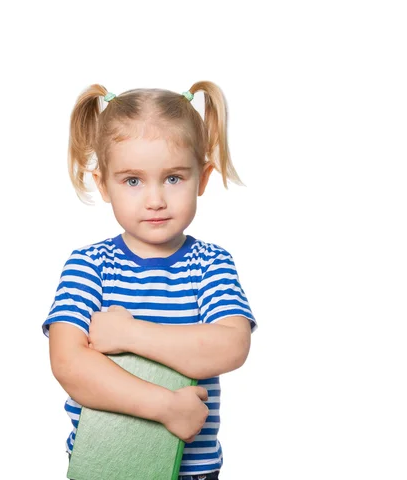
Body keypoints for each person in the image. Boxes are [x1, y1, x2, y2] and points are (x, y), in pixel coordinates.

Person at [42, 81, 258, 480]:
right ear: (103, 184)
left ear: (203, 178)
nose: (155, 199)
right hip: (104, 468)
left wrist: (129, 334)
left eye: (174, 178)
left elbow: (231, 345)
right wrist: (165, 406)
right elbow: (69, 364)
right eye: (133, 180)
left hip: (192, 472)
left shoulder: (209, 264)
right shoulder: (90, 265)